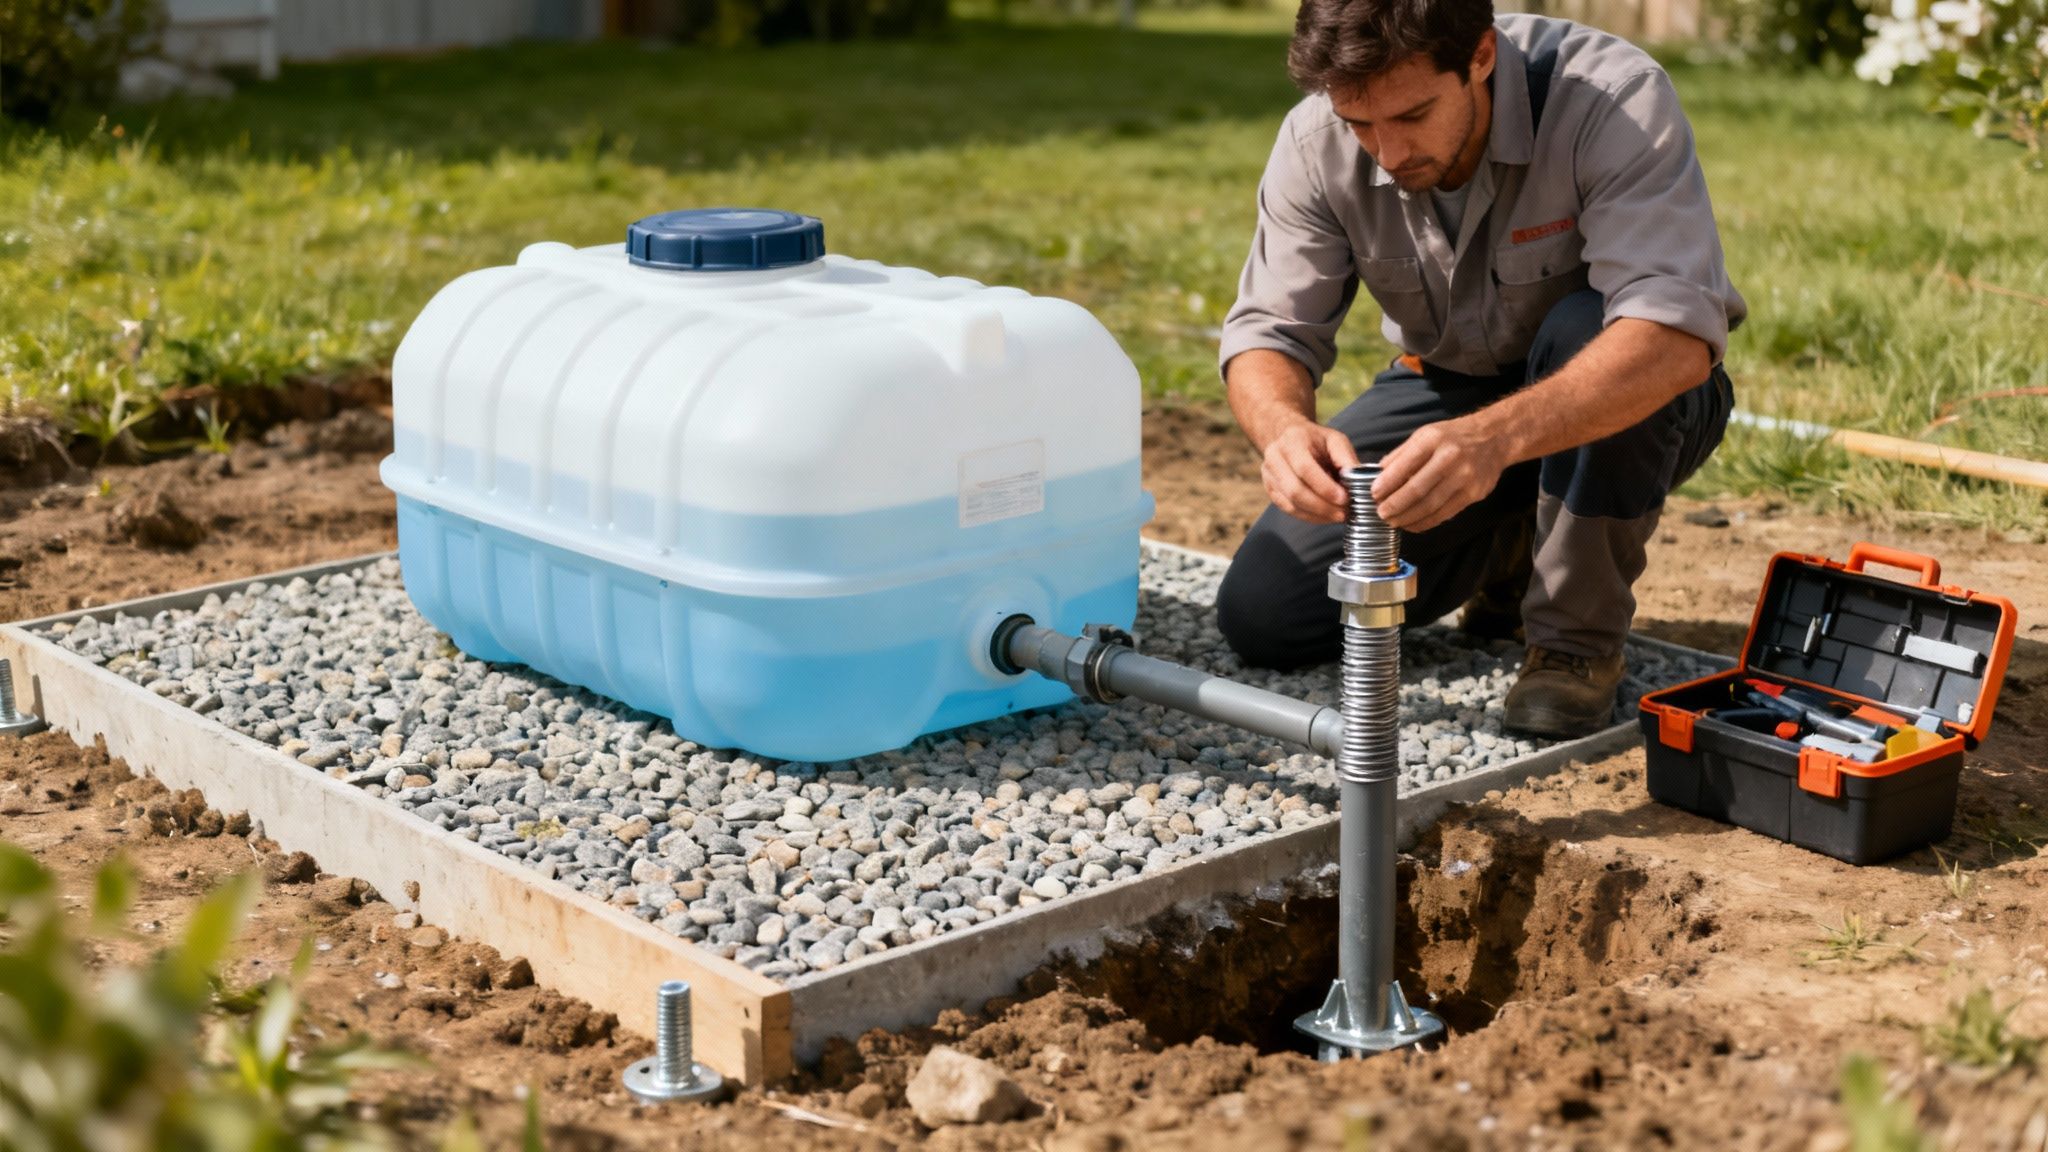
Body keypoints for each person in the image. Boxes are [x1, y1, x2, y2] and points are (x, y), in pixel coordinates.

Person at [1213, 0, 1745, 736]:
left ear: (1482, 57)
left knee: (1588, 326)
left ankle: (1573, 644)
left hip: (1626, 398)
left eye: (1413, 115)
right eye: (1360, 124)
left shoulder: (1609, 98)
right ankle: (1514, 541)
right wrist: (1281, 430)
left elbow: (1673, 335)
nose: (1387, 152)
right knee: (1266, 615)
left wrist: (1492, 442)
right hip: (1448, 384)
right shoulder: (1314, 140)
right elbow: (1267, 331)